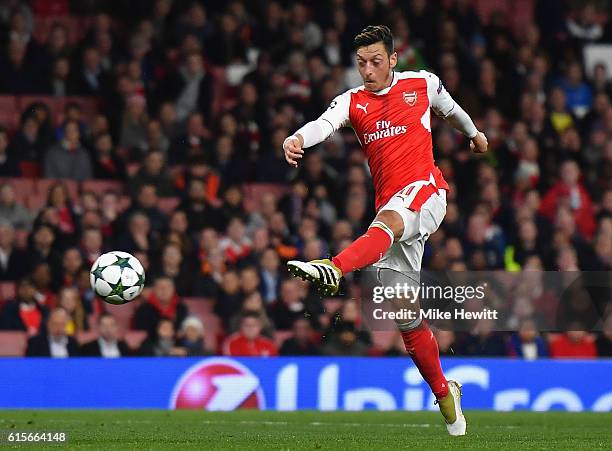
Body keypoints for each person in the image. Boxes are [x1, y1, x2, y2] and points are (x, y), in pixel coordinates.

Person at [283, 25, 488, 436]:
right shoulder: (353, 102)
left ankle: (334, 267)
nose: (368, 70)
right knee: (405, 316)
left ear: (393, 59)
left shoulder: (421, 83)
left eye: (376, 61)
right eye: (361, 63)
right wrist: (297, 137)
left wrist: (476, 134)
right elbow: (324, 123)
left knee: (389, 221)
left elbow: (451, 109)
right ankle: (448, 400)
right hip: (390, 212)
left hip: (426, 192)